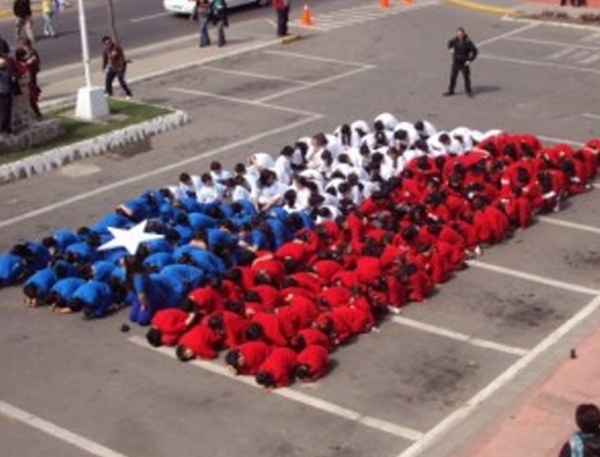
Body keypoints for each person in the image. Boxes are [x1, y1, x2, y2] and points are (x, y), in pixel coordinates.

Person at [444, 27, 478, 97]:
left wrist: (470, 60)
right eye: (458, 34)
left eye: (460, 34)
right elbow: (449, 43)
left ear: (463, 33)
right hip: (456, 62)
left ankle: (468, 91)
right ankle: (451, 90)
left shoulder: (468, 42)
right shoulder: (454, 40)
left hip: (464, 62)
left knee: (466, 78)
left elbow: (475, 52)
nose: (459, 35)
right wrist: (450, 49)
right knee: (453, 77)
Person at [15, 38, 42, 120]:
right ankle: (37, 114)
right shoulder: (20, 63)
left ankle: (36, 113)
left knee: (33, 90)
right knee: (31, 98)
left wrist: (32, 62)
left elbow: (37, 61)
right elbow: (23, 69)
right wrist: (28, 62)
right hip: (27, 81)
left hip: (32, 74)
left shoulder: (33, 51)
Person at [101, 35, 133, 99]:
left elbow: (121, 57)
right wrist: (104, 67)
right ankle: (109, 92)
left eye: (110, 42)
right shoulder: (106, 50)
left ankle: (129, 93)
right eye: (107, 43)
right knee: (108, 80)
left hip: (120, 66)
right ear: (104, 44)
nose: (109, 44)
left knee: (121, 81)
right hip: (112, 67)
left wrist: (120, 67)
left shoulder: (117, 47)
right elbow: (105, 59)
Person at [0, 56, 15, 137]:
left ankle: (8, 128)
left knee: (8, 112)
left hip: (7, 93)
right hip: (2, 94)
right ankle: (3, 129)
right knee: (4, 112)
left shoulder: (6, 72)